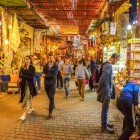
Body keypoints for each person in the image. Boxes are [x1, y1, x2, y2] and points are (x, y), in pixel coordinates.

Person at [97, 53, 120, 134]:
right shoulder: (109, 65)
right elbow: (103, 77)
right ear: (114, 58)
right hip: (106, 91)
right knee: (105, 109)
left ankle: (105, 123)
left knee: (105, 109)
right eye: (117, 60)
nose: (116, 62)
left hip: (106, 89)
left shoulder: (106, 64)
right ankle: (104, 127)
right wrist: (99, 87)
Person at [19, 56, 37, 120]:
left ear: (30, 60)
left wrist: (23, 76)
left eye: (27, 59)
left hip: (30, 85)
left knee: (26, 97)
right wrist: (26, 76)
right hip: (23, 85)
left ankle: (24, 114)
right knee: (27, 96)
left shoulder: (32, 68)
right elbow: (19, 75)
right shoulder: (22, 67)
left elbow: (32, 77)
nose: (26, 60)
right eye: (25, 59)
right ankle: (31, 108)